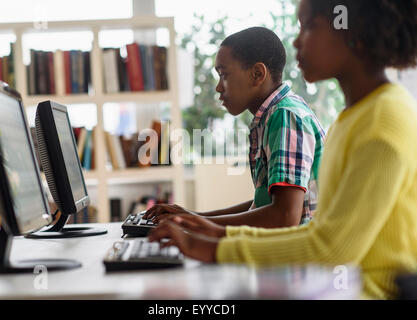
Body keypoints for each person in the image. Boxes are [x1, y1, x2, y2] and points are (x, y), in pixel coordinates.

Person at [148, 0, 417, 299]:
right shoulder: (350, 119)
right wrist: (214, 232)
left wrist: (211, 245)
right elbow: (318, 233)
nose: (296, 40)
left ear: (353, 32)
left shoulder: (382, 122)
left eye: (310, 27)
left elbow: (329, 248)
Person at [145, 26, 326, 229]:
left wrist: (194, 223)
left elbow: (284, 217)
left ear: (257, 74)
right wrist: (193, 216)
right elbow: (264, 205)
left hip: (297, 256)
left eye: (224, 75)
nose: (218, 87)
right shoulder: (272, 116)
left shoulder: (285, 116)